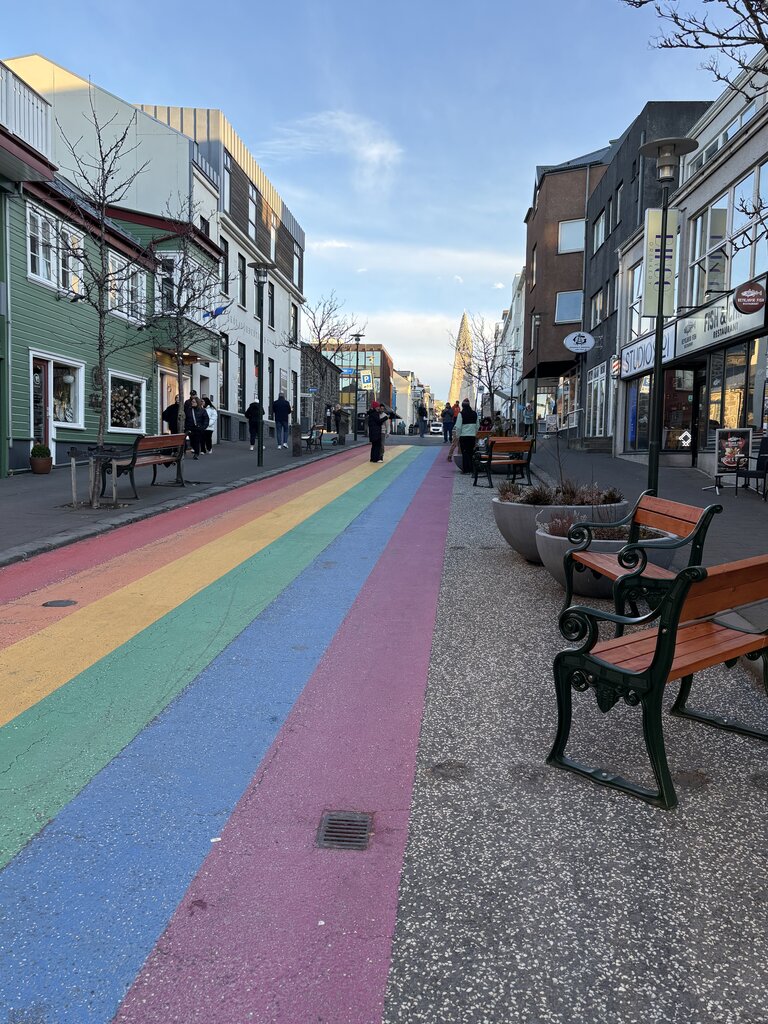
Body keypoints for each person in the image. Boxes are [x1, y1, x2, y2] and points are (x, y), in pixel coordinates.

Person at [454, 398, 479, 474]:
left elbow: (458, 427)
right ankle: (471, 469)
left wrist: (458, 436)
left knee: (464, 453)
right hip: (472, 436)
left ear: (462, 406)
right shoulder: (475, 414)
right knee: (471, 453)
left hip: (464, 436)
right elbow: (477, 426)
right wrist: (474, 433)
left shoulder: (461, 414)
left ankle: (466, 470)